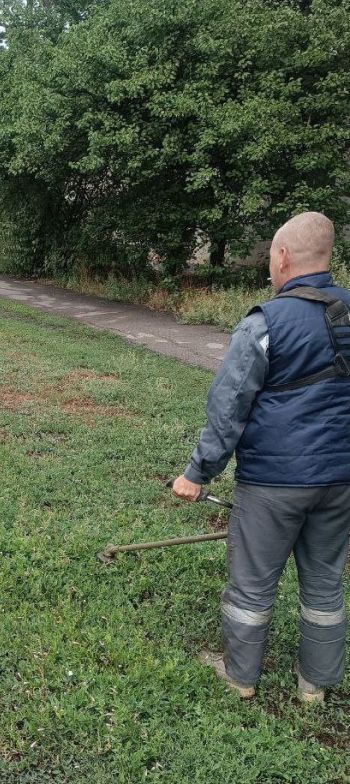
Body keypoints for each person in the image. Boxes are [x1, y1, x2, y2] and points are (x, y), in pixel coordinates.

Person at [172, 212, 350, 703]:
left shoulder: (265, 322)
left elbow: (229, 407)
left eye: (272, 256)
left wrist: (197, 472)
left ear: (284, 257)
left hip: (274, 483)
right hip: (340, 482)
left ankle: (240, 677)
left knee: (251, 586)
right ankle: (315, 685)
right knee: (324, 586)